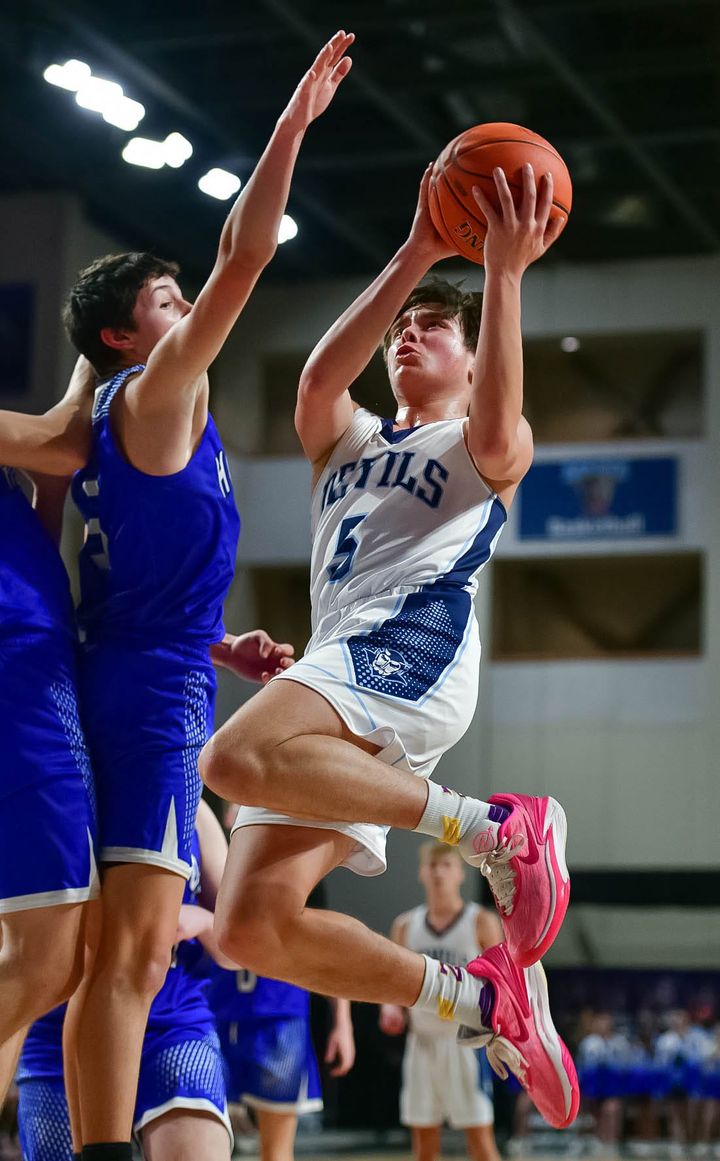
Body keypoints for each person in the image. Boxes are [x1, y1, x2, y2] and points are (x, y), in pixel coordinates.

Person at [200, 161, 578, 1130]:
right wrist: (416, 247)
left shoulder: (485, 446)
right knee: (249, 928)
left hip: (412, 644)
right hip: (345, 668)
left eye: (434, 328)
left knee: (230, 758)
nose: (409, 335)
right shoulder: (348, 439)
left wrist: (501, 274)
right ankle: (480, 999)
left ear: (472, 361)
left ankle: (497, 830)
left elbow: (499, 410)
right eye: (403, 328)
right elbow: (318, 379)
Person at [61, 32, 354, 1161]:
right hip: (147, 698)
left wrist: (216, 643)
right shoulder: (157, 390)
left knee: (115, 954)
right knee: (130, 957)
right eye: (166, 300)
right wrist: (291, 126)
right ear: (124, 338)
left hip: (150, 668)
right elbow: (246, 253)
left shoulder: (142, 415)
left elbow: (130, 578)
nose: (189, 307)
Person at [16, 800, 237, 1161]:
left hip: (170, 1025)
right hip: (58, 1032)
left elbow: (237, 947)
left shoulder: (192, 805)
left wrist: (201, 920)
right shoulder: (56, 788)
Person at [0, 358, 98, 1102]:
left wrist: (51, 497)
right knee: (48, 962)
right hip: (20, 676)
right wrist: (98, 340)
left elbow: (51, 480)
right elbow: (67, 440)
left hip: (27, 664)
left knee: (34, 960)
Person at [206, 804, 355, 1161]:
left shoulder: (296, 863)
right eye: (238, 802)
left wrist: (342, 1021)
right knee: (208, 1145)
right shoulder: (208, 857)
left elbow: (327, 944)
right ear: (228, 815)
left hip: (279, 1017)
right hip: (214, 1018)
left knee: (276, 1151)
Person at [380, 841, 502, 1161]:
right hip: (421, 1041)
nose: (438, 873)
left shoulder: (481, 922)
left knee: (481, 1142)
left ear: (460, 873)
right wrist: (390, 1009)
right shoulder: (405, 925)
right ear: (422, 873)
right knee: (424, 1146)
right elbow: (393, 983)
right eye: (432, 866)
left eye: (446, 866)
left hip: (466, 1041)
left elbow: (502, 983)